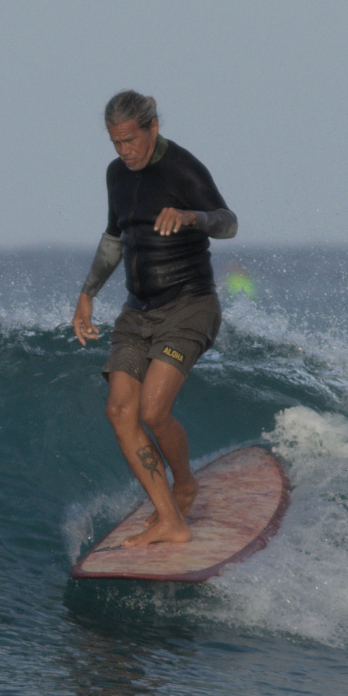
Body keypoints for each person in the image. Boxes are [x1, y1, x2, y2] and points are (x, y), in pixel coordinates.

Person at [71, 91, 238, 547]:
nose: (125, 151)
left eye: (130, 140)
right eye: (115, 142)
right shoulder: (116, 175)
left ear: (153, 127)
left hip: (189, 304)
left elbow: (228, 222)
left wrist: (190, 216)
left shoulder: (181, 167)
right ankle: (170, 519)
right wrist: (87, 294)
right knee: (120, 411)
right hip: (137, 312)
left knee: (153, 411)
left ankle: (184, 484)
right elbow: (114, 237)